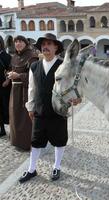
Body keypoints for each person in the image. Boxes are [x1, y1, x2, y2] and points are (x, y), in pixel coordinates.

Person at [19, 33, 81, 183]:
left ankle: (56, 166)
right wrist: (30, 107)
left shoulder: (63, 66)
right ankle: (31, 169)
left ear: (56, 47)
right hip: (40, 110)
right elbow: (31, 89)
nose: (45, 46)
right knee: (35, 141)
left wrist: (77, 98)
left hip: (58, 110)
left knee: (59, 140)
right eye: (43, 44)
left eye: (48, 44)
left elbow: (72, 85)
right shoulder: (34, 66)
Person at [8, 35, 38, 150]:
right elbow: (12, 69)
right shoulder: (14, 56)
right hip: (14, 90)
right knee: (14, 115)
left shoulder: (32, 56)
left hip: (25, 91)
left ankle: (27, 143)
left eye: (20, 41)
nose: (18, 44)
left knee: (25, 118)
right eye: (16, 42)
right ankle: (17, 141)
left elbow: (33, 75)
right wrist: (9, 76)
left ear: (25, 43)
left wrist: (19, 76)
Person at [0, 37, 11, 137]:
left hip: (4, 87)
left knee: (6, 107)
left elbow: (10, 69)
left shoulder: (6, 56)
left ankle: (13, 129)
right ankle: (2, 129)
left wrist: (7, 80)